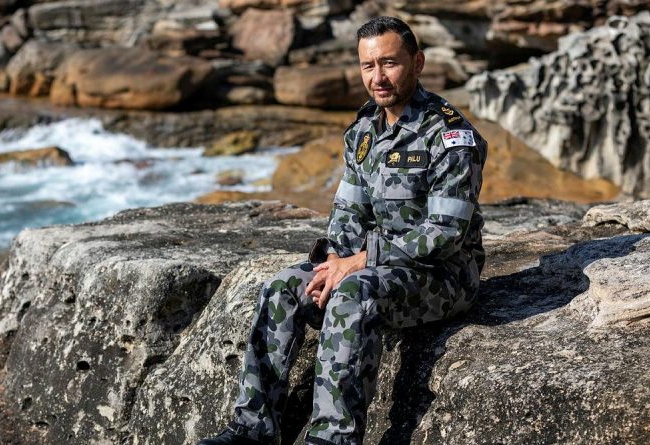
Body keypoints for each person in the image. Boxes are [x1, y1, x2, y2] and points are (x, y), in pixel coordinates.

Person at [199, 16, 487, 445]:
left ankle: (332, 437)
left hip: (442, 275)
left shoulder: (448, 135)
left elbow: (444, 233)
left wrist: (361, 262)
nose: (378, 77)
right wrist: (335, 261)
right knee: (283, 287)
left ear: (418, 63)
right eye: (368, 66)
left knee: (353, 296)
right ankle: (252, 428)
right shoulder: (364, 131)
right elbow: (347, 213)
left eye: (389, 63)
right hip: (378, 267)